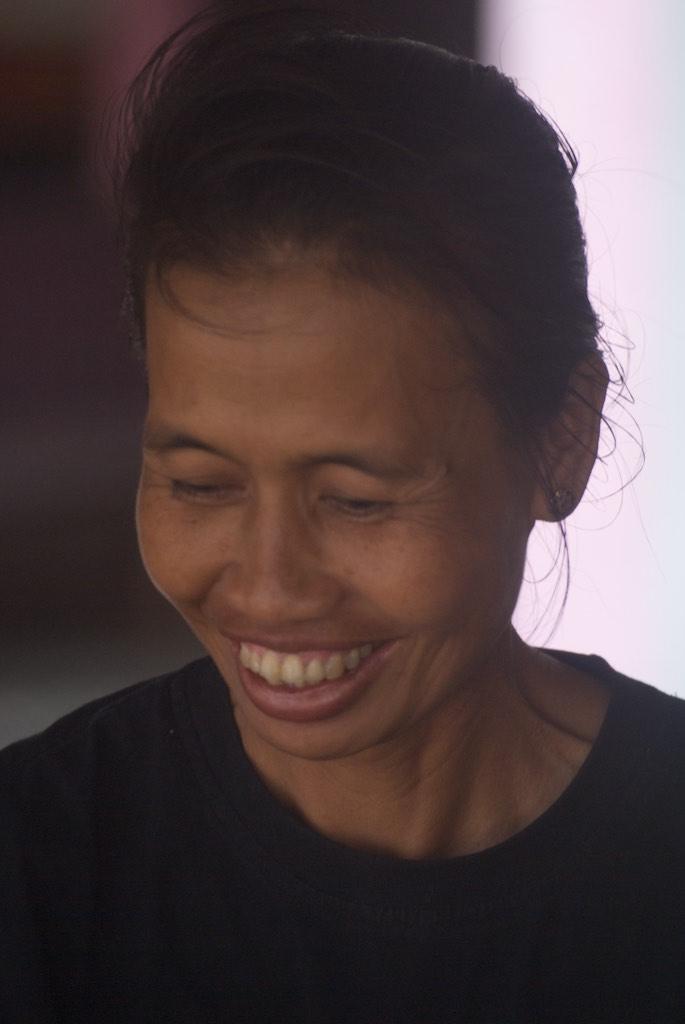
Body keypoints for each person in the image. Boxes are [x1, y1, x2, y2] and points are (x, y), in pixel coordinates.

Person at [2, 4, 684, 1021]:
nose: (269, 584)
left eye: (357, 500)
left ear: (560, 440)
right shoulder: (38, 872)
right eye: (201, 483)